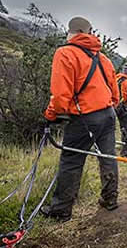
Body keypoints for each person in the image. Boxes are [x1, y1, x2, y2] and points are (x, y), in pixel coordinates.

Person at [41, 16, 120, 222]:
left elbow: (60, 96)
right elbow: (115, 93)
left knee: (71, 161)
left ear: (71, 33)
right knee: (108, 157)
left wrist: (51, 114)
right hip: (108, 114)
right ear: (89, 33)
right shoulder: (104, 59)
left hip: (85, 117)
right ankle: (110, 199)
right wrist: (108, 105)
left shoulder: (65, 53)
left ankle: (61, 210)